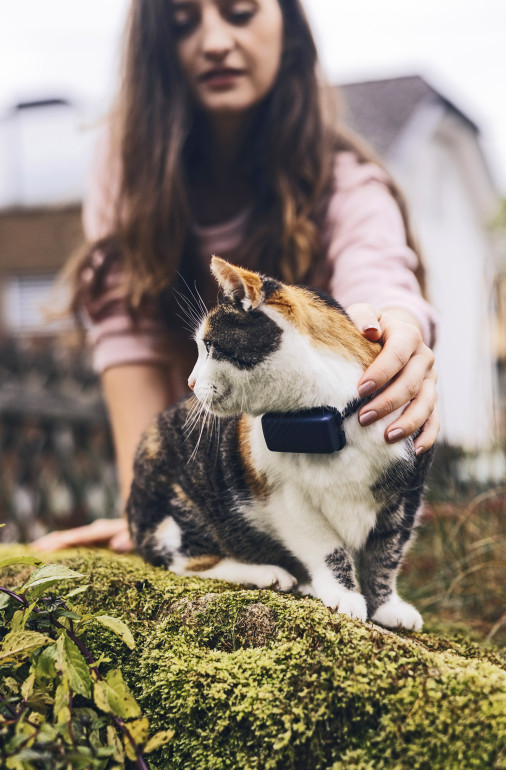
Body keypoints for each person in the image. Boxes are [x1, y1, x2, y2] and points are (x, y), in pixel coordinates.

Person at [33, 0, 438, 554]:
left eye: (241, 12)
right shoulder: (128, 174)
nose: (214, 40)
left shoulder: (346, 180)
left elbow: (380, 272)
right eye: (182, 22)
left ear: (289, 31)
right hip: (228, 495)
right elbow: (131, 354)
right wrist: (151, 515)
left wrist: (392, 329)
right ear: (158, 48)